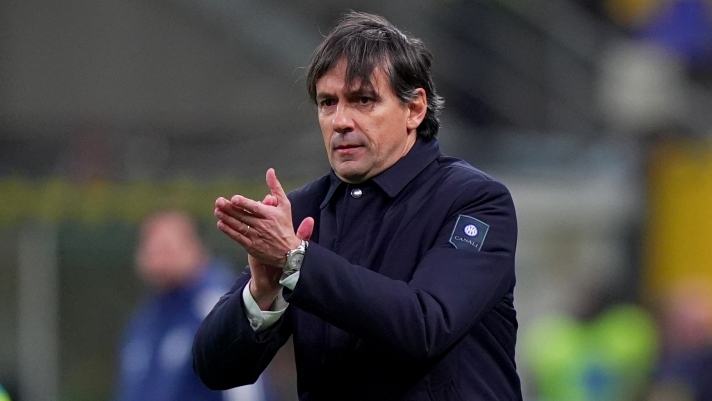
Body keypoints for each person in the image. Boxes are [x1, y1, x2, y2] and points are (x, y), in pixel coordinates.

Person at [193, 12, 521, 401]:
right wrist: (262, 292)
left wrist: (297, 262)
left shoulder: (476, 201)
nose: (340, 121)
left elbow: (425, 325)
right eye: (327, 103)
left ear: (415, 109)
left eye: (363, 100)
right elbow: (213, 369)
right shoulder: (302, 210)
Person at [114, 210, 267, 401]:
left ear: (194, 248)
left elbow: (246, 390)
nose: (156, 258)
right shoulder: (147, 317)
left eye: (166, 248)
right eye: (150, 248)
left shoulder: (216, 307)